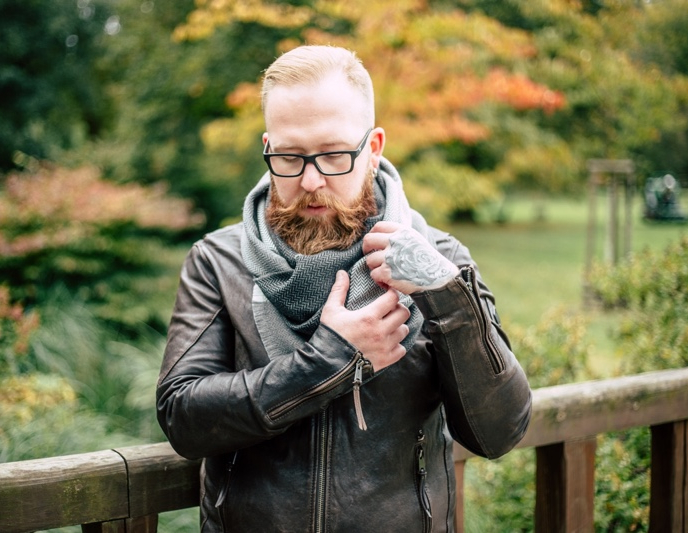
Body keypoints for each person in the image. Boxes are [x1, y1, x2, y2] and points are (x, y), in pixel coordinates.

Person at [157, 45, 532, 533]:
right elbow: (183, 415)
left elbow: (500, 432)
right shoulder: (218, 261)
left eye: (334, 154)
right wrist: (330, 359)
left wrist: (447, 296)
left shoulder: (442, 260)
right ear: (268, 148)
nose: (311, 180)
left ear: (373, 148)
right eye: (289, 157)